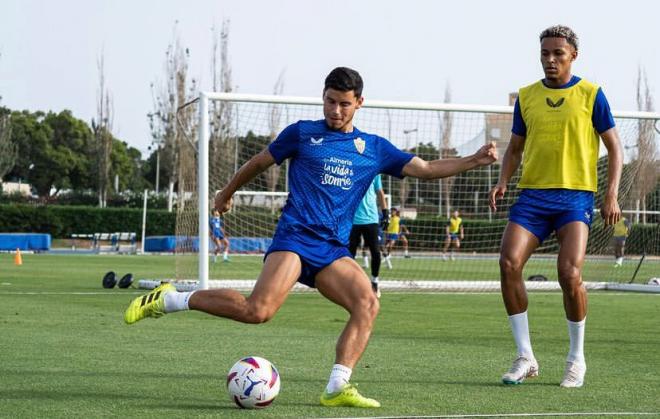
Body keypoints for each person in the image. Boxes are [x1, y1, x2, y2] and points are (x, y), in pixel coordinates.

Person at [125, 66, 497, 408]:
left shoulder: (374, 149)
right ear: (323, 97)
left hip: (332, 249)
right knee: (258, 311)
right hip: (295, 237)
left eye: (344, 104)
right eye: (330, 102)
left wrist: (473, 161)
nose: (336, 111)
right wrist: (226, 193)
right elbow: (258, 162)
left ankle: (338, 386)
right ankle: (173, 299)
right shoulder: (302, 134)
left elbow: (428, 168)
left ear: (359, 104)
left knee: (367, 303)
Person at [488, 25, 622, 388]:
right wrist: (503, 181)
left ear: (573, 56)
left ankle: (576, 359)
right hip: (532, 196)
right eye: (545, 53)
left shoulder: (592, 94)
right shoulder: (527, 97)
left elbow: (615, 148)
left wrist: (610, 194)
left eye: (558, 54)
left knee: (569, 274)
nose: (550, 60)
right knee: (508, 262)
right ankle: (525, 356)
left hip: (575, 197)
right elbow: (514, 149)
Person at [349, 175, 388, 298]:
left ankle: (375, 281)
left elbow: (380, 192)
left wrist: (386, 213)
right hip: (352, 219)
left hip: (371, 219)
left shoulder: (375, 171)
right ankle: (349, 282)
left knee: (376, 252)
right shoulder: (350, 168)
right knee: (349, 254)